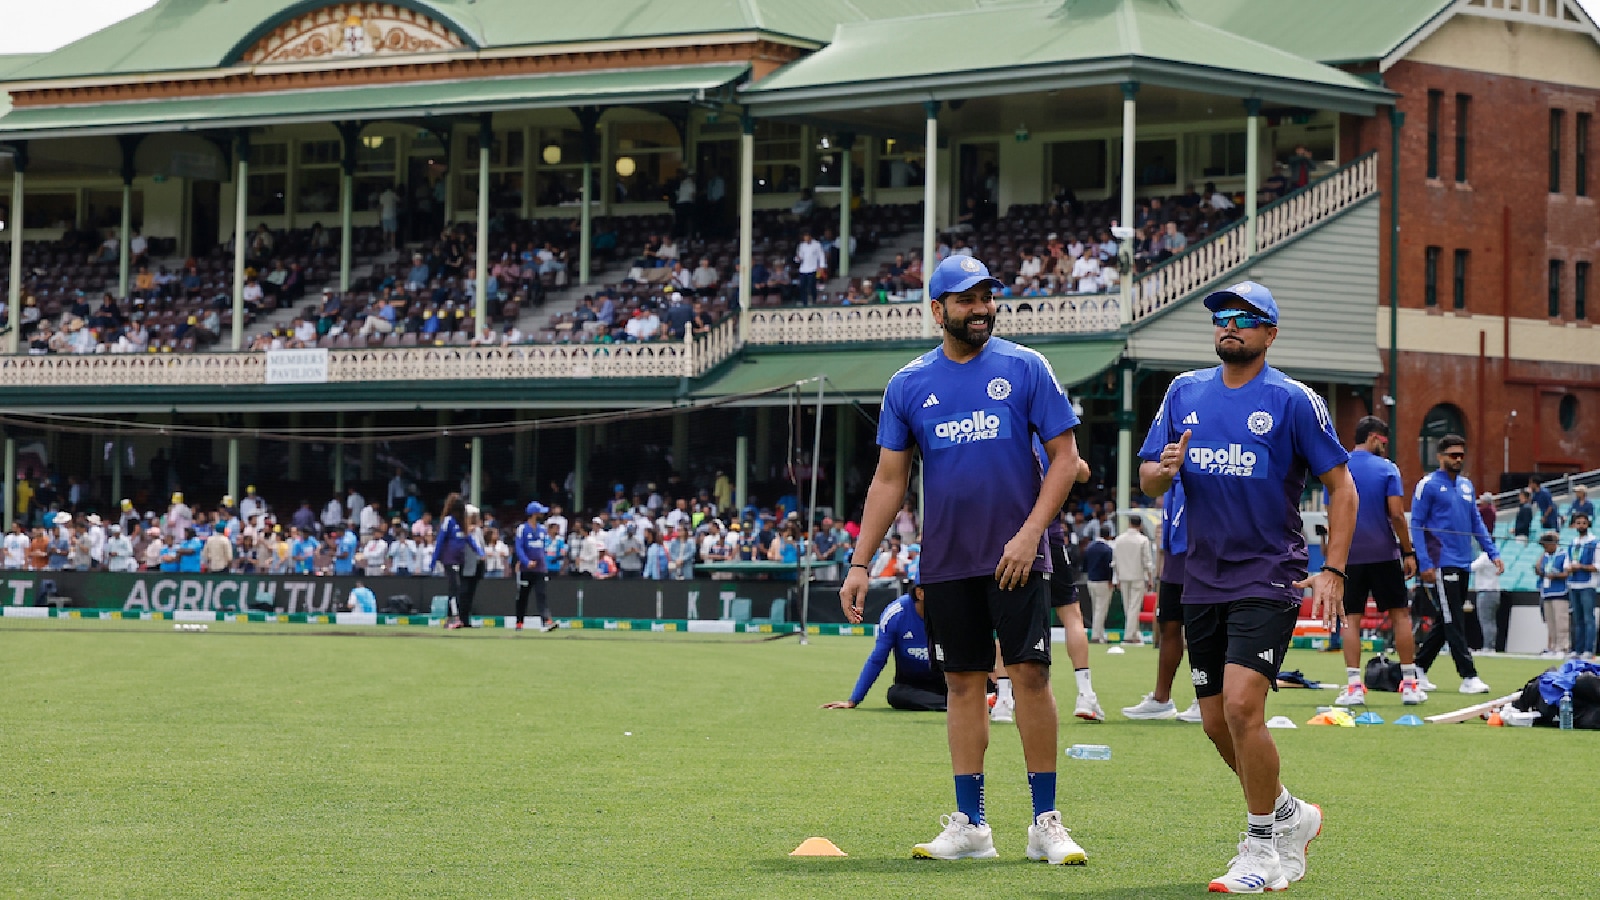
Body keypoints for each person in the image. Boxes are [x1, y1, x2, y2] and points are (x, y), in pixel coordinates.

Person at [839, 255, 1087, 866]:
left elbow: (1064, 458)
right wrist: (860, 561)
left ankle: (1046, 824)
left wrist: (1032, 533)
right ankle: (971, 826)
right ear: (937, 309)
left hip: (1018, 555)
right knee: (962, 684)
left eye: (986, 297)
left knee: (1029, 675)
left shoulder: (1027, 367)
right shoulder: (907, 384)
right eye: (965, 299)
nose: (980, 308)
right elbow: (889, 480)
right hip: (946, 561)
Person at [1138, 280, 1352, 892]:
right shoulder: (1184, 392)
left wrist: (1333, 568)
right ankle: (1291, 814)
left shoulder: (1293, 401)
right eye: (1222, 317)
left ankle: (1262, 849)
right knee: (1213, 722)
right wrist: (1162, 471)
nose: (1229, 325)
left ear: (1270, 333)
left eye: (1245, 317)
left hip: (1268, 573)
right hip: (1200, 575)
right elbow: (1151, 479)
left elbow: (1343, 486)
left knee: (1240, 706)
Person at [1330, 416, 1426, 707]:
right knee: (1400, 616)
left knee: (1351, 620)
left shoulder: (1337, 468)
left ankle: (1354, 687)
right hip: (1384, 554)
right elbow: (1397, 515)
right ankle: (1409, 685)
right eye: (1383, 441)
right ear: (1373, 438)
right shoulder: (1388, 469)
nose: (1384, 447)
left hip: (1349, 557)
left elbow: (1331, 515)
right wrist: (1409, 552)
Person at [1410, 434, 1501, 694]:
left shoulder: (1467, 486)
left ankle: (1418, 668)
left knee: (1446, 617)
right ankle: (1468, 676)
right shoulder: (1427, 485)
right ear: (1440, 457)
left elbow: (1476, 522)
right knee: (1454, 619)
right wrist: (1424, 562)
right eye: (1453, 455)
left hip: (1464, 562)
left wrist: (1492, 552)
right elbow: (1416, 524)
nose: (1458, 459)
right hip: (1441, 562)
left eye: (1461, 454)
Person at [1028, 439, 1103, 724]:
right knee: (1071, 614)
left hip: (1009, 534)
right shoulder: (1049, 436)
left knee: (1004, 619)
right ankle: (1085, 694)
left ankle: (1004, 697)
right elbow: (1082, 471)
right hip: (1048, 534)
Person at [1121, 479, 1204, 723]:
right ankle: (1161, 699)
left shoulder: (1202, 465)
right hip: (1174, 559)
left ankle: (1207, 698)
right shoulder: (1168, 479)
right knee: (1168, 624)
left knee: (1201, 629)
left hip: (1202, 555)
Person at [823, 579, 946, 711]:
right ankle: (952, 703)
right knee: (895, 695)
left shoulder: (952, 612)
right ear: (920, 593)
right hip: (912, 684)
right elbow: (877, 660)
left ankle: (955, 702)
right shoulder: (896, 613)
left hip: (948, 679)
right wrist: (853, 700)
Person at [434, 493, 486, 629]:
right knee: (455, 588)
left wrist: (480, 552)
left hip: (460, 560)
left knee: (456, 589)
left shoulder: (462, 523)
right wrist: (434, 559)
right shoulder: (448, 521)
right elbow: (440, 540)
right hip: (450, 560)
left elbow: (469, 539)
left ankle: (452, 619)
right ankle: (454, 618)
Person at [1111, 516, 1155, 645]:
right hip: (1138, 576)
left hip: (1123, 576)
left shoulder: (1119, 539)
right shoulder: (1143, 540)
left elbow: (1115, 562)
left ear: (1129, 524)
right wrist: (1150, 578)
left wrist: (1117, 578)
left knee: (1128, 607)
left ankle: (1134, 634)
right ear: (1140, 525)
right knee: (1133, 607)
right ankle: (1129, 636)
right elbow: (1147, 561)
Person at [515, 502, 556, 632]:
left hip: (540, 569)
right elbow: (519, 548)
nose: (542, 514)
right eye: (540, 512)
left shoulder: (542, 529)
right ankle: (519, 622)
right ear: (534, 514)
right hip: (526, 570)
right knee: (523, 596)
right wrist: (526, 562)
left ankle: (547, 621)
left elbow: (543, 547)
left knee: (541, 595)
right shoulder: (522, 529)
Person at [1535, 531, 1571, 657]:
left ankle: (1563, 647)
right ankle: (1554, 647)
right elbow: (1538, 569)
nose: (1544, 547)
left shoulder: (1563, 554)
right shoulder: (1545, 556)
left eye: (1546, 545)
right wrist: (1542, 556)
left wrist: (1554, 576)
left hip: (1560, 592)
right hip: (1547, 592)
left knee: (1561, 622)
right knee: (1551, 623)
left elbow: (1566, 573)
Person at [1566, 513, 1597, 660]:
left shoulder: (1595, 542)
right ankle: (1577, 649)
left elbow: (1598, 566)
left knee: (1588, 618)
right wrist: (1569, 568)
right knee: (1577, 619)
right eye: (1578, 523)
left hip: (1588, 584)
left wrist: (1582, 567)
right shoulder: (1572, 542)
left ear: (1588, 524)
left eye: (1583, 523)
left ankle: (1588, 649)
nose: (1581, 525)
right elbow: (1567, 562)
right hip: (1574, 583)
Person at [1084, 525, 1114, 642]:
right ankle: (1096, 636)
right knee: (1101, 610)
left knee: (1095, 608)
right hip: (1103, 582)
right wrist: (1111, 580)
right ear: (1109, 535)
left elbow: (1085, 565)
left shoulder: (1089, 547)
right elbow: (1109, 567)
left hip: (1091, 580)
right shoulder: (1107, 549)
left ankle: (1100, 635)